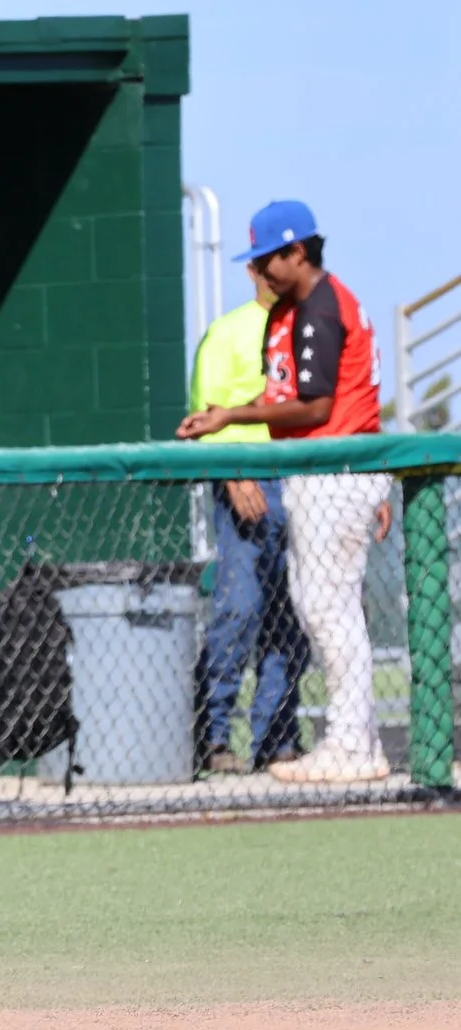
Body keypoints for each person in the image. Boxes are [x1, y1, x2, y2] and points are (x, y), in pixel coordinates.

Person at [178, 200, 391, 784]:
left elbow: (321, 405)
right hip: (332, 470)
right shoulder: (307, 307)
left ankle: (352, 742)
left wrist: (230, 418)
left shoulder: (320, 309)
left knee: (327, 612)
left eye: (269, 259)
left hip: (333, 472)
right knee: (321, 609)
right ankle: (355, 741)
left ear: (298, 251)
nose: (261, 271)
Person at [189, 268, 308, 774]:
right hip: (248, 482)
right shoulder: (228, 330)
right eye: (267, 262)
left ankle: (277, 742)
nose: (276, 272)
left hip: (303, 485)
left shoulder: (307, 330)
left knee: (294, 619)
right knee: (239, 611)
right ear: (253, 272)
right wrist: (234, 475)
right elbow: (204, 414)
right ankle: (211, 739)